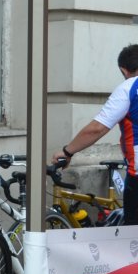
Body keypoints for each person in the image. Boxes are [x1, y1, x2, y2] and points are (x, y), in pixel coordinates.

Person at [49, 44, 138, 225]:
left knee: (133, 235)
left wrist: (67, 152)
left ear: (124, 70)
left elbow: (97, 128)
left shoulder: (129, 88)